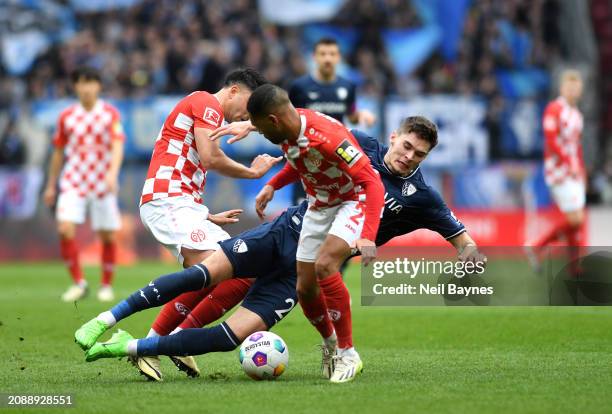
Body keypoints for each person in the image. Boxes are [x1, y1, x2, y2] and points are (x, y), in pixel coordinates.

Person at [72, 117, 485, 384]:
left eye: (418, 154)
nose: (407, 156)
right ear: (394, 137)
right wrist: (273, 180)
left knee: (236, 333)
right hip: (285, 232)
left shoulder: (422, 198)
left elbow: (464, 241)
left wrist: (471, 263)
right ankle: (142, 330)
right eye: (406, 145)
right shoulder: (360, 143)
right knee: (210, 276)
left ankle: (137, 346)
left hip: (310, 267)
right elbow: (303, 144)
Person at [139, 68, 280, 269]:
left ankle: (167, 302)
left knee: (226, 272)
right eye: (250, 105)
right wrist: (253, 172)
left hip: (179, 204)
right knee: (224, 269)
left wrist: (203, 215)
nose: (248, 115)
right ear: (233, 91)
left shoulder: (209, 113)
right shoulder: (207, 102)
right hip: (168, 201)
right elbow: (211, 158)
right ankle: (132, 303)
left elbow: (197, 161)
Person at [43, 67, 125, 302]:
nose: (86, 87)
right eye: (81, 82)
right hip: (74, 181)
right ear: (75, 86)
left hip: (102, 182)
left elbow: (118, 145)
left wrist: (112, 174)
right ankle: (79, 283)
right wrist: (51, 185)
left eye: (91, 82)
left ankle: (106, 285)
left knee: (107, 236)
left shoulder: (109, 114)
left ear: (98, 86)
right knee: (64, 229)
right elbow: (58, 153)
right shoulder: (67, 116)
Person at [288, 37, 376, 204]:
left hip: (336, 158)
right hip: (307, 158)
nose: (327, 58)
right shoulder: (299, 87)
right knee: (302, 211)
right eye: (323, 54)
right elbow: (288, 119)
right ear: (314, 57)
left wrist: (362, 115)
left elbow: (352, 117)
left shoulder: (347, 87)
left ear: (338, 58)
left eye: (332, 54)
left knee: (337, 207)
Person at [526, 70, 586, 274]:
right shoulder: (554, 109)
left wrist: (581, 169)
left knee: (576, 221)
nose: (573, 91)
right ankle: (537, 246)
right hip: (559, 172)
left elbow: (576, 146)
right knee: (575, 220)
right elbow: (551, 141)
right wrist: (569, 164)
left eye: (576, 88)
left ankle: (574, 267)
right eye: (569, 87)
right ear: (562, 88)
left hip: (574, 171)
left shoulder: (577, 115)